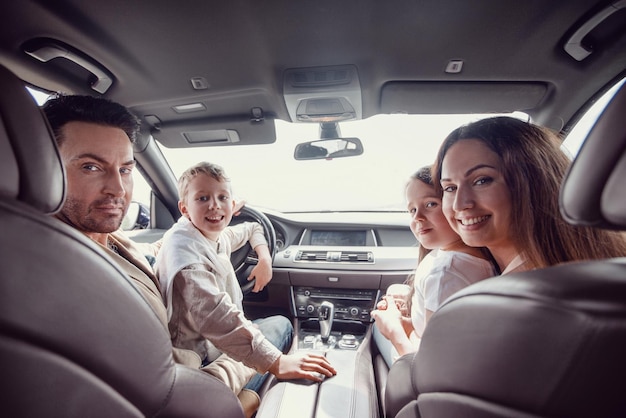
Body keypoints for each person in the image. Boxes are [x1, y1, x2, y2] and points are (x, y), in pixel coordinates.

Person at [42, 94, 262, 416]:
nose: (117, 188)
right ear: (42, 167)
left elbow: (148, 253)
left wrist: (198, 225)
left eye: (126, 169)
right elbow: (168, 399)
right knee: (279, 327)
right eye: (91, 167)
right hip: (195, 386)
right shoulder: (72, 279)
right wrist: (249, 360)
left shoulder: (105, 239)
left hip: (191, 366)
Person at [155, 161, 337, 394]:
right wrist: (278, 363)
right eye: (202, 199)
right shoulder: (186, 254)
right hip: (197, 358)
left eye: (222, 198)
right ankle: (243, 399)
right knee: (283, 325)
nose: (214, 206)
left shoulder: (209, 235)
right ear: (184, 209)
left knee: (273, 325)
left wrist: (264, 260)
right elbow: (217, 317)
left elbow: (252, 228)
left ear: (232, 203)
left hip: (211, 345)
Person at [433, 116, 626, 274]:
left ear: (533, 182)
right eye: (450, 188)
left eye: (482, 180)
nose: (460, 204)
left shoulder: (512, 294)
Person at [370, 166, 496, 367]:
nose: (417, 217)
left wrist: (394, 328)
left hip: (419, 371)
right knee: (396, 291)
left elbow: (431, 367)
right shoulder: (462, 257)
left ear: (453, 205)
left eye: (430, 204)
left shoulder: (446, 273)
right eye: (412, 210)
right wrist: (412, 313)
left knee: (375, 330)